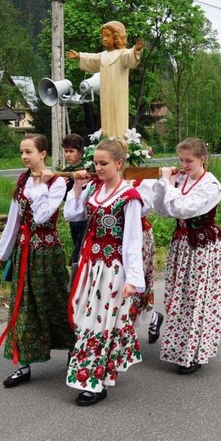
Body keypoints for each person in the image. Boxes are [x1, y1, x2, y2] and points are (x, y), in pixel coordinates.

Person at [64, 138, 145, 406]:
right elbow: (73, 215)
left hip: (112, 269)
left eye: (104, 163)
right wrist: (77, 186)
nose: (98, 168)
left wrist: (133, 279)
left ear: (119, 163)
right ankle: (97, 373)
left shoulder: (129, 197)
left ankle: (93, 382)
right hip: (90, 266)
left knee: (97, 323)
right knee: (84, 317)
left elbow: (133, 240)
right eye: (96, 163)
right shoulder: (93, 190)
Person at [0, 134, 73, 388]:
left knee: (55, 302)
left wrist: (42, 185)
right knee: (22, 305)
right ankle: (22, 363)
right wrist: (0, 253)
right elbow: (14, 220)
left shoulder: (57, 182)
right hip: (25, 251)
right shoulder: (23, 179)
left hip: (47, 253)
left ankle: (74, 352)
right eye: (22, 152)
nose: (24, 156)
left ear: (43, 154)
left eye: (29, 152)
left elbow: (41, 217)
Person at [153, 137, 221, 375]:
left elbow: (183, 208)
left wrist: (168, 184)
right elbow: (163, 210)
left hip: (203, 247)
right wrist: (166, 184)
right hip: (182, 245)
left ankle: (194, 353)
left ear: (202, 159)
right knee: (179, 296)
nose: (184, 165)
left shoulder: (211, 186)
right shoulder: (182, 180)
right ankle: (178, 348)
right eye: (182, 160)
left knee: (198, 298)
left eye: (190, 161)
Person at [66, 21, 143, 139]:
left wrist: (136, 50)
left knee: (118, 116)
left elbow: (131, 57)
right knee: (106, 117)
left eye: (107, 35)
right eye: (103, 36)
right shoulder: (103, 55)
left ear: (116, 37)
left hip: (118, 94)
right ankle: (107, 139)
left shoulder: (122, 54)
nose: (104, 39)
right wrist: (79, 56)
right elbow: (92, 58)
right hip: (106, 94)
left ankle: (119, 140)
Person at [130, 178, 164, 343]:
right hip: (114, 238)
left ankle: (128, 332)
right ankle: (151, 318)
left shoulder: (143, 180)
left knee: (136, 282)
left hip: (139, 237)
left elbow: (143, 208)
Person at [60, 133, 87, 269]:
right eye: (66, 151)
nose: (68, 155)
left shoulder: (89, 169)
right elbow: (65, 198)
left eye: (71, 151)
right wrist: (62, 187)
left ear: (80, 152)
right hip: (73, 217)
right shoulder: (65, 172)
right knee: (76, 241)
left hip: (87, 214)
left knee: (81, 248)